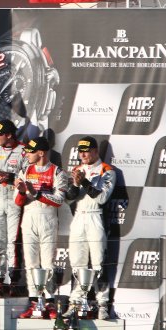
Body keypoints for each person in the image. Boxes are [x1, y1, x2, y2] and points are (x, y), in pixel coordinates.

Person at [14, 136, 68, 319]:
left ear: (41, 153)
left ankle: (50, 303)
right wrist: (22, 192)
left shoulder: (57, 172)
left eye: (30, 152)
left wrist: (36, 193)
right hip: (29, 218)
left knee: (47, 264)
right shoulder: (25, 170)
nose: (27, 154)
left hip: (48, 220)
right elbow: (18, 201)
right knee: (30, 263)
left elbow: (59, 200)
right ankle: (34, 302)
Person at [65, 136, 117, 320]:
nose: (83, 154)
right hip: (79, 216)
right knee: (77, 262)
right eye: (81, 151)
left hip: (96, 216)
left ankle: (102, 304)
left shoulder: (107, 170)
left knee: (98, 263)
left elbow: (102, 198)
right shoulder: (77, 170)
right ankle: (75, 302)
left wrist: (85, 182)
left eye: (87, 151)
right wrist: (76, 183)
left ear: (95, 151)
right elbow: (69, 199)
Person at [0, 119, 27, 295]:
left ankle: (14, 279)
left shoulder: (23, 150)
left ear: (9, 135)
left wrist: (8, 177)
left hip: (14, 199)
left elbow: (28, 176)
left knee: (13, 240)